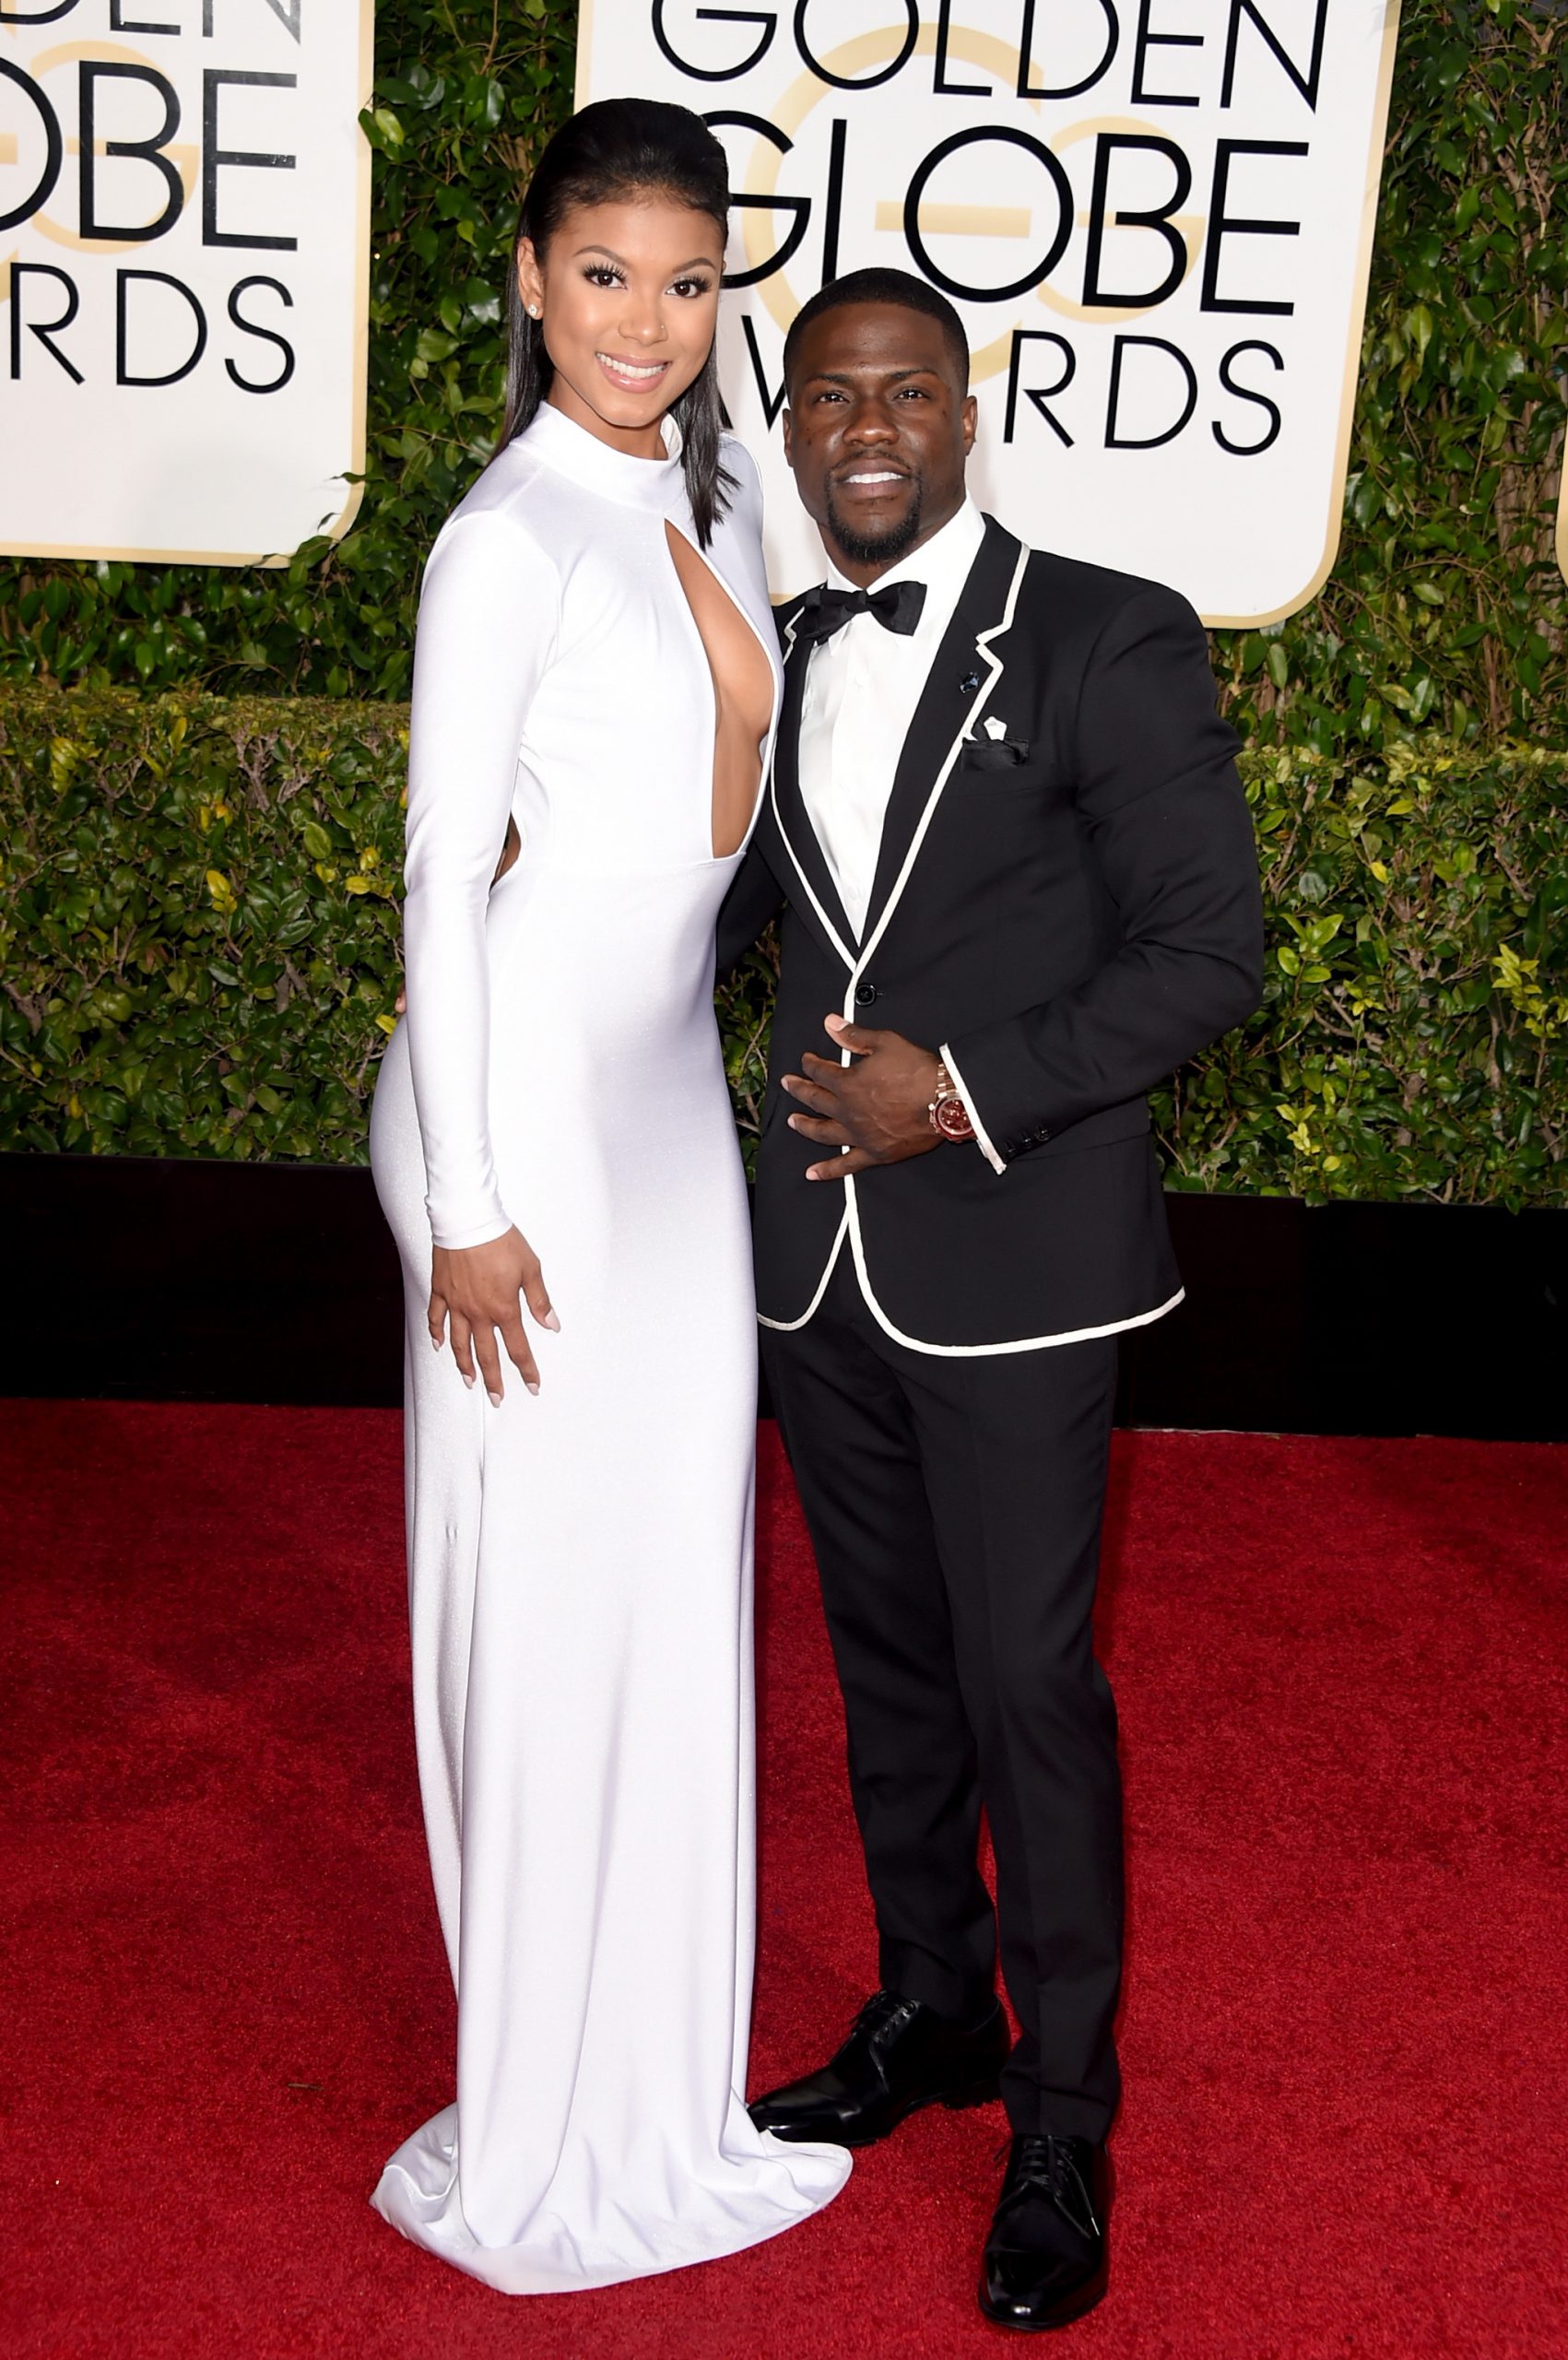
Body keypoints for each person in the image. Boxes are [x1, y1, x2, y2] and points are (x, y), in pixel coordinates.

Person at [717, 267, 1264, 2331]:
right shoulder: (778, 649)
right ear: (789, 426)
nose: (866, 428)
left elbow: (1206, 952)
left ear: (966, 411)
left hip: (1019, 1267)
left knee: (1031, 1686)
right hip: (815, 1264)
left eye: (905, 392)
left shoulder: (1110, 634)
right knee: (887, 1672)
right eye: (828, 396)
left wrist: (951, 1089)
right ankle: (931, 2001)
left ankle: (1060, 2112)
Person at [367, 99, 850, 2295]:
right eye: (600, 275)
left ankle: (651, 2084)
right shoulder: (504, 542)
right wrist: (465, 1202)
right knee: (550, 1607)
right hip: (518, 1124)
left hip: (664, 1104)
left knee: (671, 1586)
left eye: (684, 279)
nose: (643, 321)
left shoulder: (713, 488)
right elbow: (437, 888)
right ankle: (541, 2106)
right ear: (528, 280)